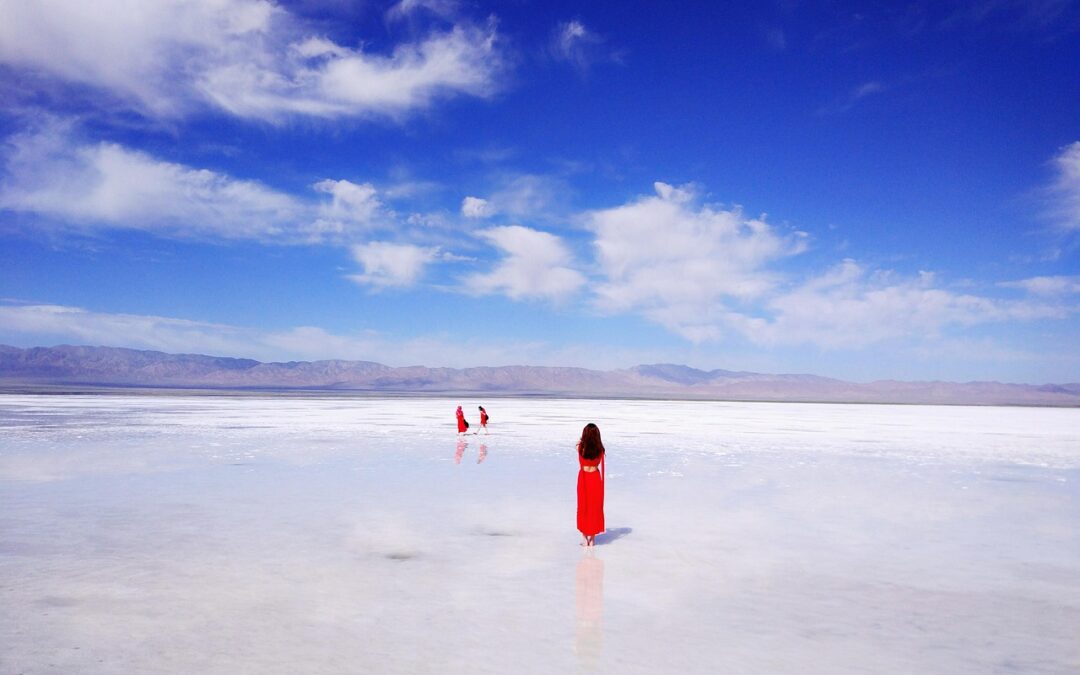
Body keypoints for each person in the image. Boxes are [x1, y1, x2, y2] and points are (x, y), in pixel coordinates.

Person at [576, 422, 605, 547]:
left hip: (583, 478)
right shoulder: (600, 450)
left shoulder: (580, 447)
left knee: (583, 506)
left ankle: (584, 537)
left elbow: (578, 443)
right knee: (594, 507)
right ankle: (592, 538)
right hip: (594, 478)